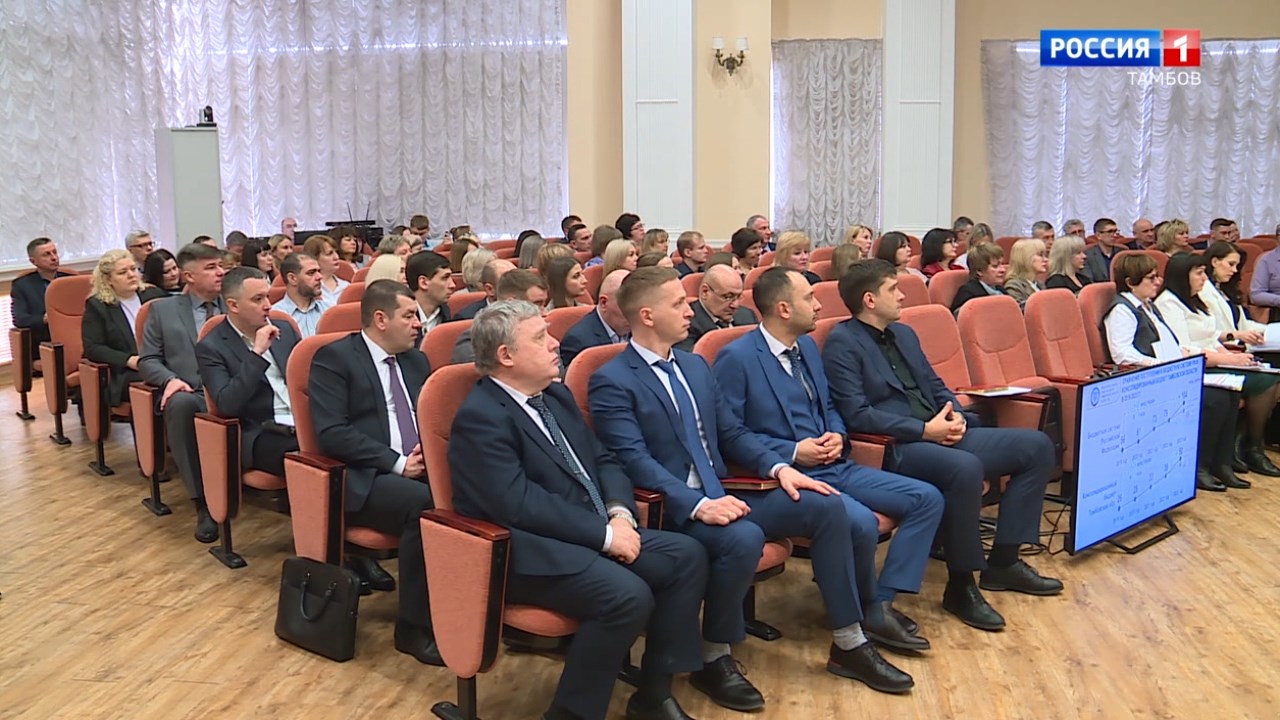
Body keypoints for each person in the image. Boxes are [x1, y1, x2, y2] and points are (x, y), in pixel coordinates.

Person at [589, 268, 915, 707]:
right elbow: (633, 460)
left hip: (723, 488)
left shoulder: (693, 365)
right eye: (678, 304)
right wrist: (699, 505)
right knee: (742, 537)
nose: (689, 311)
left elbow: (732, 433)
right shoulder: (613, 379)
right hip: (671, 505)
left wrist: (779, 468)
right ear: (647, 316)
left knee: (826, 506)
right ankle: (714, 657)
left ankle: (849, 642)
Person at [450, 299, 708, 720]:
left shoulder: (554, 395)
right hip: (526, 551)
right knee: (626, 597)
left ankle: (654, 692)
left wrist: (620, 512)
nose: (555, 343)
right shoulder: (481, 418)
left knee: (687, 556)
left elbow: (603, 459)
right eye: (540, 338)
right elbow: (519, 504)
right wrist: (604, 537)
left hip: (588, 528)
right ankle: (571, 713)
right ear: (506, 355)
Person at [822, 260, 1063, 631]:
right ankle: (961, 585)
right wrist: (924, 430)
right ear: (869, 299)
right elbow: (857, 414)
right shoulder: (842, 343)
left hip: (941, 432)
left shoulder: (904, 334)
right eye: (892, 289)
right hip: (897, 445)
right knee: (964, 469)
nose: (902, 296)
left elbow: (935, 386)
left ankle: (1004, 561)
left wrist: (956, 416)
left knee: (1037, 446)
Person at [716, 268, 944, 649]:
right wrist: (792, 451)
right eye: (809, 298)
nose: (819, 305)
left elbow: (831, 406)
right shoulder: (736, 359)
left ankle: (879, 603)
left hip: (835, 464)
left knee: (927, 499)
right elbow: (731, 435)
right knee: (861, 523)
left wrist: (838, 435)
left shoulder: (806, 347)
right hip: (788, 476)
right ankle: (864, 610)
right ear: (784, 308)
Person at [307, 279, 438, 664]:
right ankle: (413, 628)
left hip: (422, 464)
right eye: (409, 316)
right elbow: (333, 433)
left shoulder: (416, 360)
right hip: (366, 476)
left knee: (482, 489)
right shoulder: (334, 359)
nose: (418, 323)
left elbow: (432, 419)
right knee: (426, 506)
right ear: (381, 319)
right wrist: (398, 463)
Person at [1102, 253, 1247, 491]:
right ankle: (1198, 467)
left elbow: (1172, 344)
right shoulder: (1122, 310)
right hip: (1146, 380)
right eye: (1151, 278)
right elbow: (1122, 354)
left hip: (1170, 371)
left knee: (1231, 392)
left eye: (1157, 276)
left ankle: (1222, 463)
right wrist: (1159, 365)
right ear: (1130, 282)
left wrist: (1189, 354)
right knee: (1215, 399)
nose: (1158, 281)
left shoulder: (1148, 306)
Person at [1154, 253, 1279, 479]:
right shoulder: (1168, 303)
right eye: (1199, 273)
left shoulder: (1194, 300)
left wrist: (1233, 356)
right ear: (1183, 275)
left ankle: (1246, 446)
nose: (1204, 278)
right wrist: (1230, 360)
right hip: (1198, 366)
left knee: (1270, 375)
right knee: (1265, 381)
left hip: (1215, 358)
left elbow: (1211, 336)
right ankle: (1250, 448)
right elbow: (1184, 349)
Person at [138, 242, 227, 543]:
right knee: (180, 404)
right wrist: (170, 379)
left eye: (220, 266)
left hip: (234, 387)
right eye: (211, 268)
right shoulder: (162, 310)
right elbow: (148, 360)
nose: (220, 272)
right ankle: (202, 502)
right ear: (188, 276)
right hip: (192, 390)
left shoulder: (236, 303)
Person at [195, 267, 302, 476]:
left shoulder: (285, 329)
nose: (268, 305)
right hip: (261, 430)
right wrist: (257, 354)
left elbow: (308, 378)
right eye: (258, 299)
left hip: (301, 419)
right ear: (233, 305)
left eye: (268, 296)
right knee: (314, 453)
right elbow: (227, 405)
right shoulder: (211, 347)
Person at [82, 250, 168, 407]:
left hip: (163, 361)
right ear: (108, 280)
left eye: (133, 269)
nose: (131, 275)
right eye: (122, 272)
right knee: (160, 385)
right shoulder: (98, 305)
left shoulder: (153, 294)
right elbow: (93, 348)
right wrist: (129, 360)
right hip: (128, 370)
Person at [452, 270, 548, 364]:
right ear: (512, 304)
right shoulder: (473, 342)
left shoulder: (543, 333)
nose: (545, 313)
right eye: (537, 304)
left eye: (544, 304)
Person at [11, 237, 73, 364]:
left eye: (54, 252)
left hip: (74, 336)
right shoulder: (22, 285)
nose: (54, 258)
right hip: (44, 342)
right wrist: (44, 319)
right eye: (46, 254)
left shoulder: (71, 280)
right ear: (33, 261)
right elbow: (20, 319)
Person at [559, 269, 631, 368]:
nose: (635, 313)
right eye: (628, 305)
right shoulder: (579, 342)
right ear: (604, 303)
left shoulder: (643, 329)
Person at [675, 264, 756, 352]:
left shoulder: (747, 315)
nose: (735, 305)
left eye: (739, 297)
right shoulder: (685, 324)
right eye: (727, 297)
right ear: (705, 292)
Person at [271, 253, 328, 338]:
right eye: (311, 273)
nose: (320, 277)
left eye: (319, 271)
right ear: (292, 278)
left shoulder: (329, 310)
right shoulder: (275, 317)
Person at [405, 250, 453, 342]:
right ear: (423, 283)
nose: (452, 285)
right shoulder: (400, 319)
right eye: (445, 278)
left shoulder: (446, 315)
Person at [950, 244, 1007, 314]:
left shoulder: (1001, 290)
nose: (1003, 270)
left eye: (1002, 264)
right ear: (979, 271)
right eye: (995, 266)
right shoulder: (968, 293)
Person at [303, 235, 350, 306]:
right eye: (329, 254)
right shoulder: (307, 289)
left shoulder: (346, 286)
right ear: (314, 258)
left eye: (336, 252)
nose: (336, 257)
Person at [1003, 238, 1048, 309]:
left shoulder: (1040, 284)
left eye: (1045, 255)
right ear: (1026, 258)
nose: (1045, 259)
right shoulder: (1014, 286)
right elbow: (1021, 311)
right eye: (1040, 255)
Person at [1083, 218, 1126, 283]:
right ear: (1098, 235)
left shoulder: (1123, 252)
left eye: (1115, 231)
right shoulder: (1087, 255)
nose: (1114, 235)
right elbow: (1088, 281)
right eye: (1110, 232)